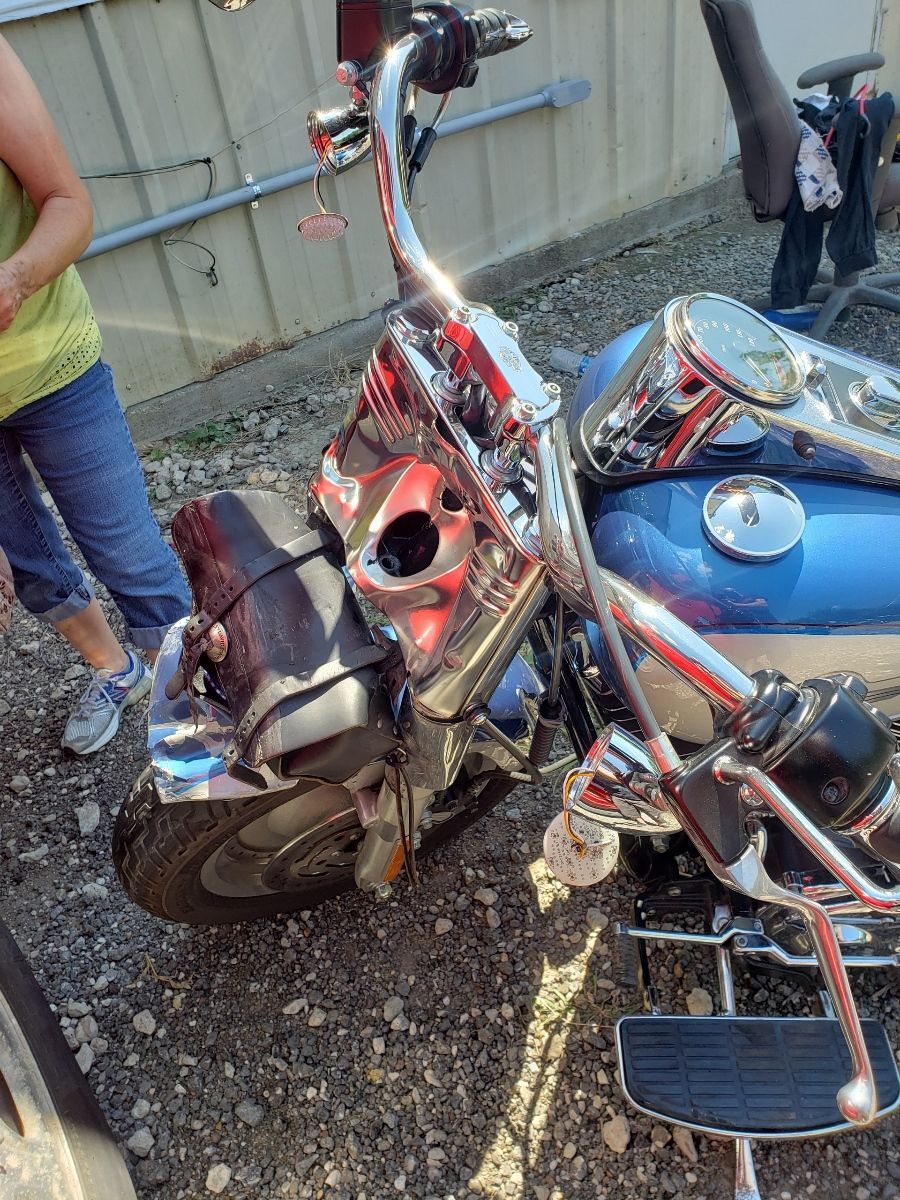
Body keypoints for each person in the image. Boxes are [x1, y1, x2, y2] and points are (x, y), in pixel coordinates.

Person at [0, 34, 190, 755]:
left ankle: (199, 691)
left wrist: (14, 278)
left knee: (128, 552)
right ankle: (117, 670)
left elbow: (68, 203)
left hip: (51, 362)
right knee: (30, 567)